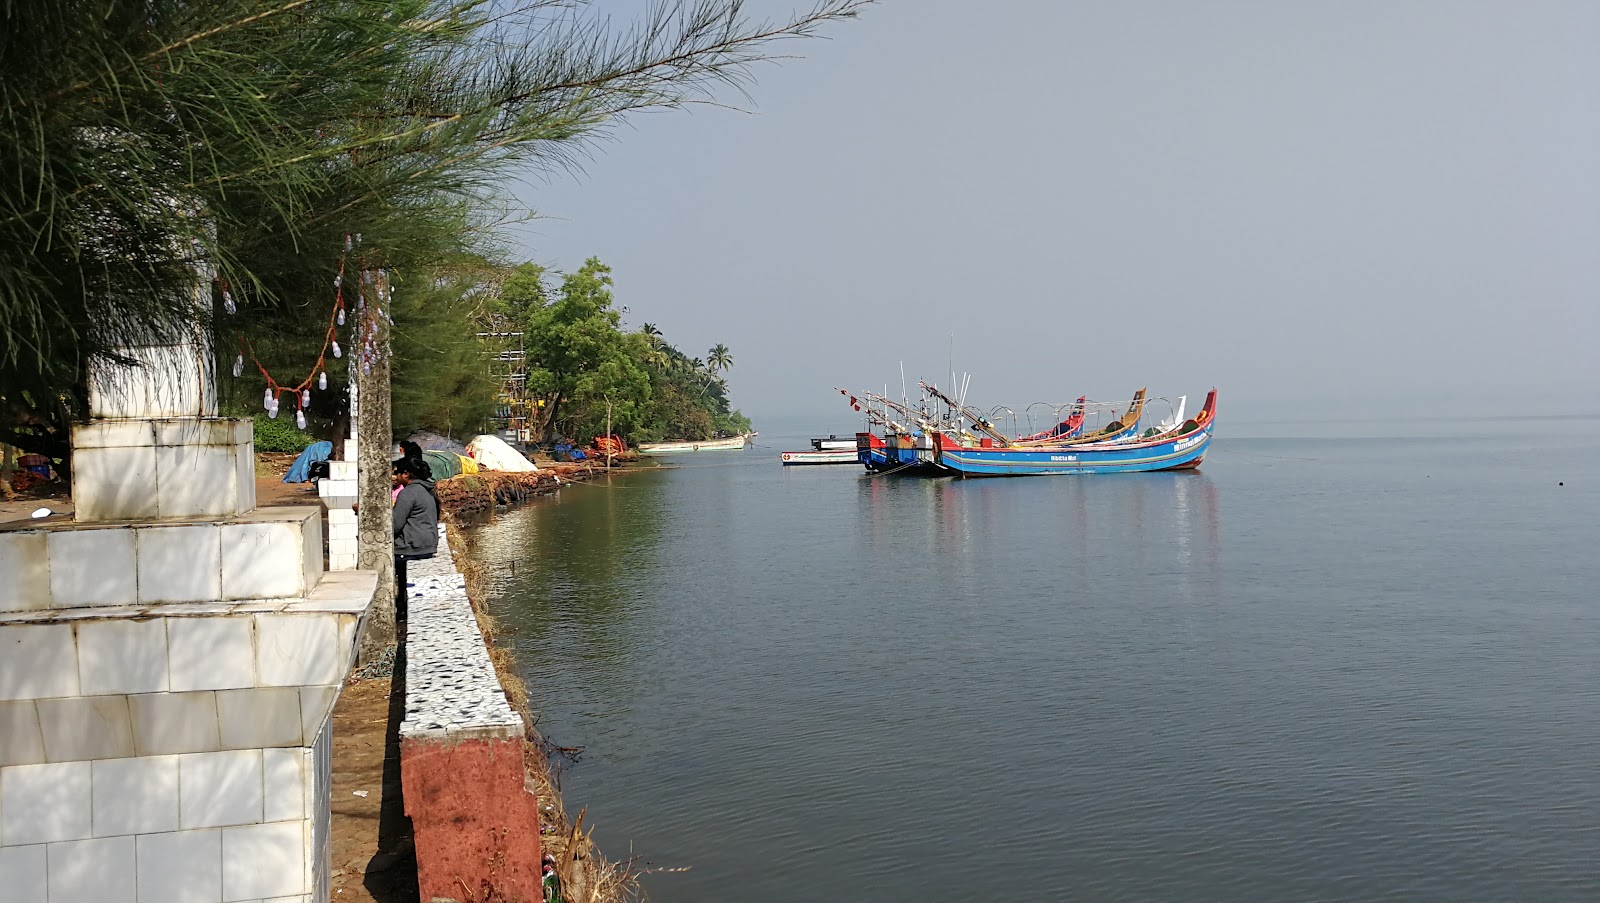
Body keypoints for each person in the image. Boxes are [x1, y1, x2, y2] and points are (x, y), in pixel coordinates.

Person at [392, 456, 438, 616]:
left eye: (396, 473)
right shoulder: (427, 490)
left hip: (410, 549)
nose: (394, 477)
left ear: (406, 475)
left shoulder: (408, 493)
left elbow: (395, 525)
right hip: (427, 546)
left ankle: (401, 613)